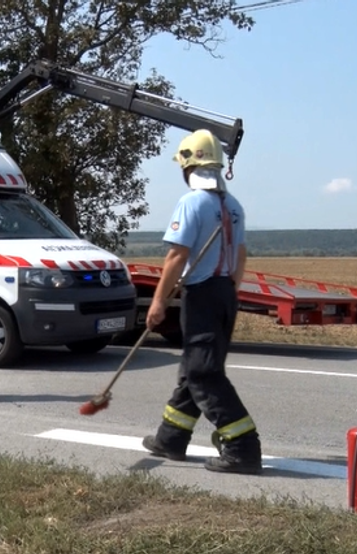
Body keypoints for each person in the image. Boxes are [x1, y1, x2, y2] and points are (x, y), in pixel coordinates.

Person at [140, 128, 263, 475]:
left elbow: (176, 256)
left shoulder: (191, 202)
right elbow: (240, 253)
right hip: (225, 293)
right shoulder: (233, 206)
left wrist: (158, 302)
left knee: (203, 374)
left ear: (188, 166)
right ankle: (171, 437)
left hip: (203, 295)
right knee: (194, 369)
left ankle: (243, 447)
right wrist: (229, 290)